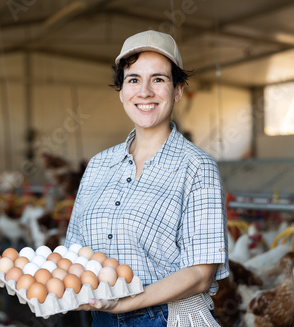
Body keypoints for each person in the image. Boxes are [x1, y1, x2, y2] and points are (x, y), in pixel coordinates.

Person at [64, 30, 228, 326]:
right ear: (122, 91)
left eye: (159, 79)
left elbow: (201, 275)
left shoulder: (197, 167)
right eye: (134, 79)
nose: (145, 92)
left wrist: (127, 302)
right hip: (101, 315)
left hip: (165, 317)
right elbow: (75, 250)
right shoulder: (99, 165)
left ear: (177, 90)